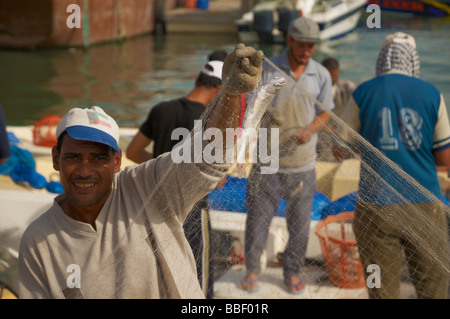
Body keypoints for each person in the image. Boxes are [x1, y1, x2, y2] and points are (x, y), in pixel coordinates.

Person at [17, 43, 263, 299]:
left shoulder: (147, 186)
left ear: (116, 162)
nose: (84, 170)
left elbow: (207, 160)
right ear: (56, 159)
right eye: (73, 157)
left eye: (98, 158)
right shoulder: (38, 243)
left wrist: (230, 95)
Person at [341, 32, 450, 299]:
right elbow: (444, 159)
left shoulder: (364, 92)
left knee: (381, 289)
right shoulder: (432, 94)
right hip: (424, 204)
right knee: (432, 284)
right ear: (413, 59)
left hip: (375, 207)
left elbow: (340, 147)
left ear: (382, 59)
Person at [241, 17, 334, 294]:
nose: (307, 51)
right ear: (290, 41)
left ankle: (292, 272)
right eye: (302, 45)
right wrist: (265, 112)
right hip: (267, 162)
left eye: (311, 46)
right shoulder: (269, 69)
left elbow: (325, 113)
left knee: (300, 226)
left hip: (303, 164)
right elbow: (251, 103)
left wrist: (309, 130)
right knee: (257, 221)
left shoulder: (321, 75)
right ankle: (252, 271)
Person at [125, 53, 227, 299]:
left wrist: (163, 170)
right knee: (197, 277)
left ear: (197, 79)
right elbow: (217, 182)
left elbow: (133, 151)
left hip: (155, 208)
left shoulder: (161, 110)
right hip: (192, 210)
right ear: (220, 90)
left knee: (161, 276)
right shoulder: (209, 122)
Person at [317, 57, 356, 160]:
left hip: (339, 139)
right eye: (330, 76)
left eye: (336, 76)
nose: (333, 79)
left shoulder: (347, 88)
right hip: (320, 139)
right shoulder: (314, 90)